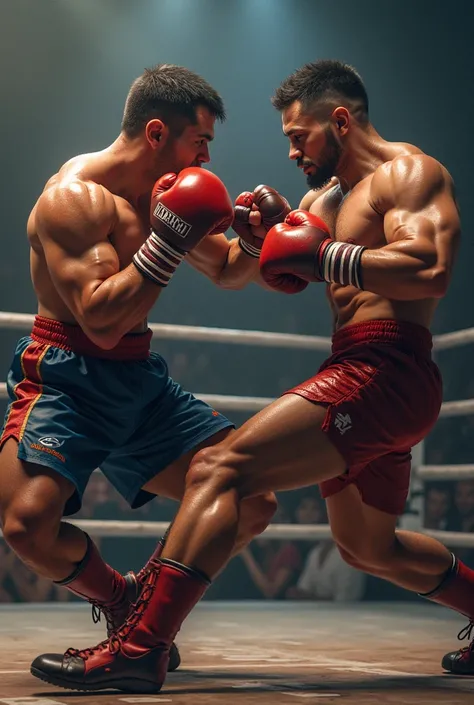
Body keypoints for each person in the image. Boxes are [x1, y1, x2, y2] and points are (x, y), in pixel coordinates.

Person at [31, 59, 468, 692]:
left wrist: (325, 255)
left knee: (220, 468)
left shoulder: (408, 173)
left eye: (300, 136)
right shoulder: (323, 198)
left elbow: (429, 268)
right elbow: (263, 269)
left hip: (389, 368)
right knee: (370, 548)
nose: (290, 152)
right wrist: (260, 231)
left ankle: (139, 647)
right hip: (356, 367)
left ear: (340, 120)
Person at [0, 63, 278, 675]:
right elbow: (98, 317)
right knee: (26, 527)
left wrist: (257, 239)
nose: (206, 159)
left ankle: (145, 611)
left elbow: (229, 270)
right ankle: (121, 598)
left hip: (137, 378)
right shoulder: (74, 199)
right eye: (199, 142)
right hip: (69, 376)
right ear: (157, 133)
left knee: (252, 498)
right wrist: (168, 240)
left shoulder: (163, 196)